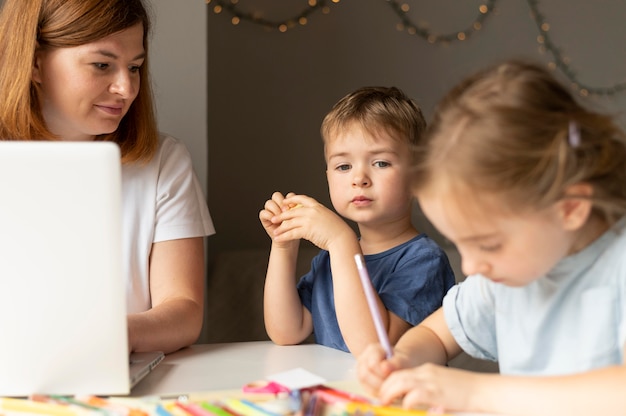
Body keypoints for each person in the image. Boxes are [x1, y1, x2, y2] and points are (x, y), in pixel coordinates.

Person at [357, 60, 626, 415]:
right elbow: (436, 335)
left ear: (570, 208)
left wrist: (476, 393)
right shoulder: (503, 276)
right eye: (460, 242)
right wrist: (402, 360)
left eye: (487, 244)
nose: (470, 265)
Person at [0, 0, 215, 354]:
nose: (126, 89)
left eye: (134, 67)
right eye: (102, 65)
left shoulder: (163, 162)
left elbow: (184, 310)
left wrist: (109, 337)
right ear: (36, 63)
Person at [259, 86, 456, 355]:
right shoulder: (331, 259)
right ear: (328, 175)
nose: (359, 178)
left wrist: (341, 242)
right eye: (343, 166)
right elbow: (286, 331)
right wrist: (283, 247)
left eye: (381, 163)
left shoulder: (423, 261)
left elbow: (373, 347)